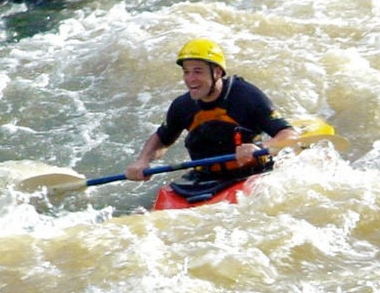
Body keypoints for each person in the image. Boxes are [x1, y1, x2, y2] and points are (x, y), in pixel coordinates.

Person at [125, 38, 298, 184]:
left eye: (198, 72)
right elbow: (161, 139)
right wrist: (143, 161)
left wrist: (260, 147)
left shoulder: (246, 96)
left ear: (217, 72)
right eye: (186, 72)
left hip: (252, 175)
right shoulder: (182, 106)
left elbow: (288, 134)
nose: (190, 79)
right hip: (204, 179)